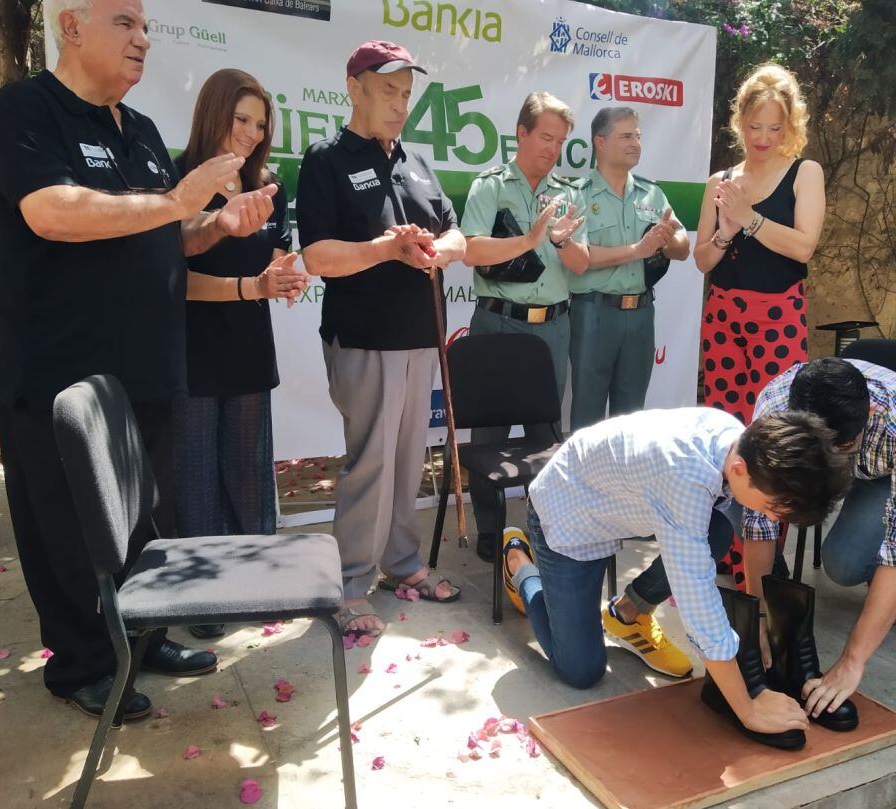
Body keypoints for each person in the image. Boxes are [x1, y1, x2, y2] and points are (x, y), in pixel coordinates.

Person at [0, 0, 276, 719]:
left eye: (146, 26)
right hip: (59, 375)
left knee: (145, 517)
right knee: (67, 529)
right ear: (71, 26)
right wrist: (177, 200)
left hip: (146, 368)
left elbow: (164, 235)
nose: (144, 38)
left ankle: (143, 637)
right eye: (125, 22)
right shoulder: (26, 111)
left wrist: (212, 224)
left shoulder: (139, 129)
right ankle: (83, 661)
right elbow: (52, 211)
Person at [502, 407, 849, 740]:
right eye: (773, 507)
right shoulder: (685, 478)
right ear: (741, 469)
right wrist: (748, 709)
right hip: (567, 516)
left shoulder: (738, 440)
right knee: (581, 671)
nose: (772, 519)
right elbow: (698, 602)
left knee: (716, 531)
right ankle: (521, 564)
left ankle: (627, 613)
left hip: (625, 502)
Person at [295, 40, 467, 636]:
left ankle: (402, 564)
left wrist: (432, 249)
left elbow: (457, 238)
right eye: (388, 91)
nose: (399, 104)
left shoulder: (417, 162)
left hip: (422, 335)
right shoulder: (325, 160)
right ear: (355, 88)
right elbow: (316, 255)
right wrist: (387, 248)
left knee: (408, 459)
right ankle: (346, 584)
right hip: (364, 339)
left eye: (406, 94)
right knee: (370, 461)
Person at [173, 68, 310, 640]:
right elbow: (171, 281)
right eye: (241, 119)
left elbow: (272, 264)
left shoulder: (270, 184)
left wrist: (282, 279)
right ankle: (205, 598)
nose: (252, 133)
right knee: (198, 477)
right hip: (193, 349)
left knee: (250, 471)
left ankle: (258, 584)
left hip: (251, 345)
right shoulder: (179, 180)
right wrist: (248, 288)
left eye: (260, 123)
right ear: (213, 114)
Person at [740, 357, 896, 719]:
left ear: (868, 413)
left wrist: (853, 661)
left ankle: (888, 598)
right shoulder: (775, 409)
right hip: (813, 465)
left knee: (843, 563)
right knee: (741, 498)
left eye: (843, 448)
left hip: (884, 476)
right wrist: (757, 614)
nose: (835, 459)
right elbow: (758, 521)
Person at [692, 63, 825, 590]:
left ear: (790, 125)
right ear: (739, 123)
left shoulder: (804, 172)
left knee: (773, 435)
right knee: (725, 431)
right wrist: (727, 231)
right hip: (723, 313)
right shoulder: (719, 182)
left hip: (777, 315)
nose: (763, 138)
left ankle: (765, 562)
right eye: (754, 127)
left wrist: (750, 218)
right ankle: (724, 551)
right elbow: (702, 260)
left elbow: (803, 246)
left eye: (774, 127)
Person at [461, 91, 589, 562]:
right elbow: (472, 250)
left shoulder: (571, 192)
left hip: (551, 329)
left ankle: (541, 528)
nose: (552, 149)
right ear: (521, 134)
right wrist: (531, 238)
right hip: (497, 324)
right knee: (488, 437)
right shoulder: (490, 186)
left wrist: (560, 243)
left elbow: (581, 264)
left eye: (560, 141)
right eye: (545, 138)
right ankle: (491, 533)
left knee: (544, 436)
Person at [571, 106, 690, 432]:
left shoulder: (651, 192)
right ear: (600, 142)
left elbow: (682, 244)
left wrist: (667, 240)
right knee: (587, 418)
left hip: (640, 315)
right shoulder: (577, 195)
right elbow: (581, 257)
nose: (635, 143)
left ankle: (624, 483)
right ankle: (584, 482)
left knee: (631, 419)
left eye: (637, 136)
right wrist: (638, 249)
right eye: (625, 136)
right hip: (593, 313)